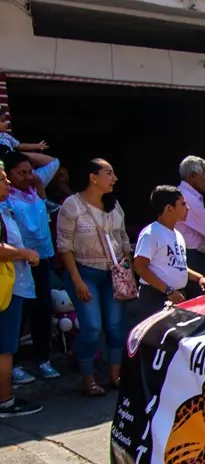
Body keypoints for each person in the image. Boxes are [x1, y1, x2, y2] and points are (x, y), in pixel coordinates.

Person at [56, 158, 132, 396]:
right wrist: (77, 280)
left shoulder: (114, 204)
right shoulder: (72, 205)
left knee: (116, 326)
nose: (114, 178)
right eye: (109, 173)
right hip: (85, 272)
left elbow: (123, 238)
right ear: (93, 177)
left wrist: (126, 267)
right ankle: (88, 377)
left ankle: (115, 374)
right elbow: (64, 247)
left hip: (114, 274)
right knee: (91, 327)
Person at [1, 152, 61, 380]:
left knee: (42, 310)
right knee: (18, 312)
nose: (28, 176)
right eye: (21, 173)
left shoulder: (35, 189)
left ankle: (43, 359)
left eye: (30, 171)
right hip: (17, 262)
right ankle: (13, 364)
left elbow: (53, 161)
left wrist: (22, 150)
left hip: (42, 258)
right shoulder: (5, 197)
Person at [0, 161, 43, 417]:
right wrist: (25, 253)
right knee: (5, 347)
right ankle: (5, 401)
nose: (7, 183)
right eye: (2, 179)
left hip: (12, 285)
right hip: (5, 290)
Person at [134, 186, 205, 318]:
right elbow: (140, 267)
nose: (187, 208)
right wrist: (168, 290)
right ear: (169, 208)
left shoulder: (178, 235)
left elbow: (178, 267)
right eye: (183, 204)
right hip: (155, 298)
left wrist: (199, 278)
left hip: (176, 296)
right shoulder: (151, 233)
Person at [175, 156, 205, 291]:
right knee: (203, 298)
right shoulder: (186, 198)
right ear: (193, 176)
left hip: (196, 257)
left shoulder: (189, 196)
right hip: (194, 258)